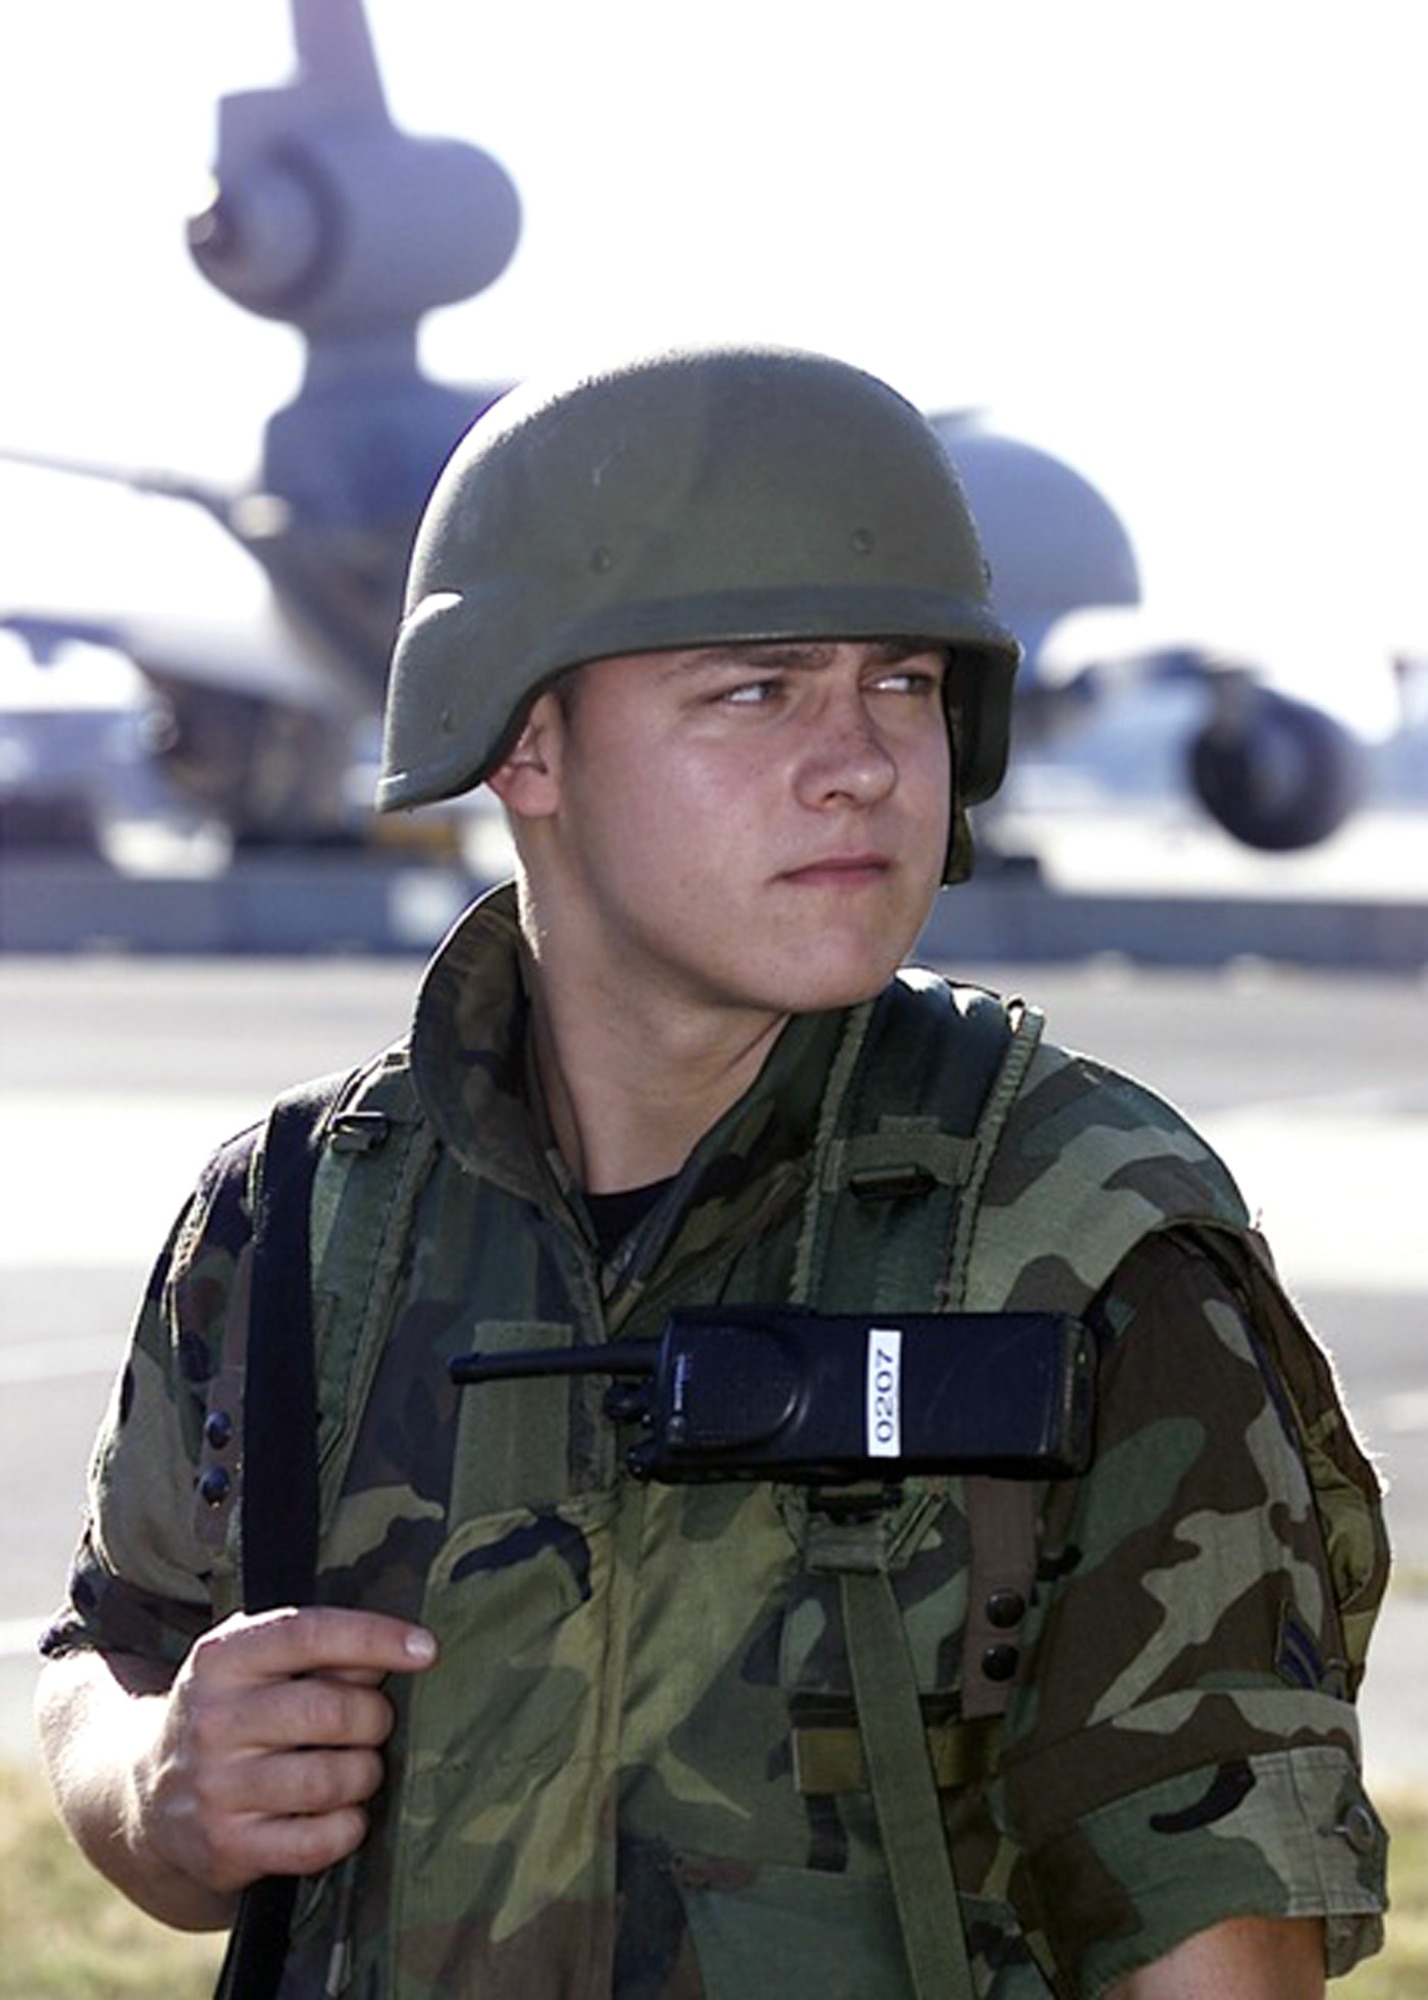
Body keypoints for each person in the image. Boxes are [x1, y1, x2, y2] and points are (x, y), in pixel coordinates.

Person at [36, 345, 1389, 2000]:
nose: (866, 762)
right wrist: (160, 1789)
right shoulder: (303, 1210)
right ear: (524, 745)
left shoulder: (1076, 1236)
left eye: (902, 684)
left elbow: (1214, 1953)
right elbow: (111, 1659)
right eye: (759, 690)